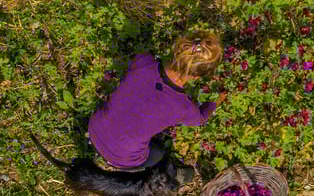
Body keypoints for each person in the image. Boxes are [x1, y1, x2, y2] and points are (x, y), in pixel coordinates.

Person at [87, 30, 227, 171]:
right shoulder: (183, 107)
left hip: (94, 128)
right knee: (158, 154)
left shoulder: (143, 60)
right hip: (121, 158)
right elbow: (201, 118)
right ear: (197, 77)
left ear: (177, 49)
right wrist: (217, 100)